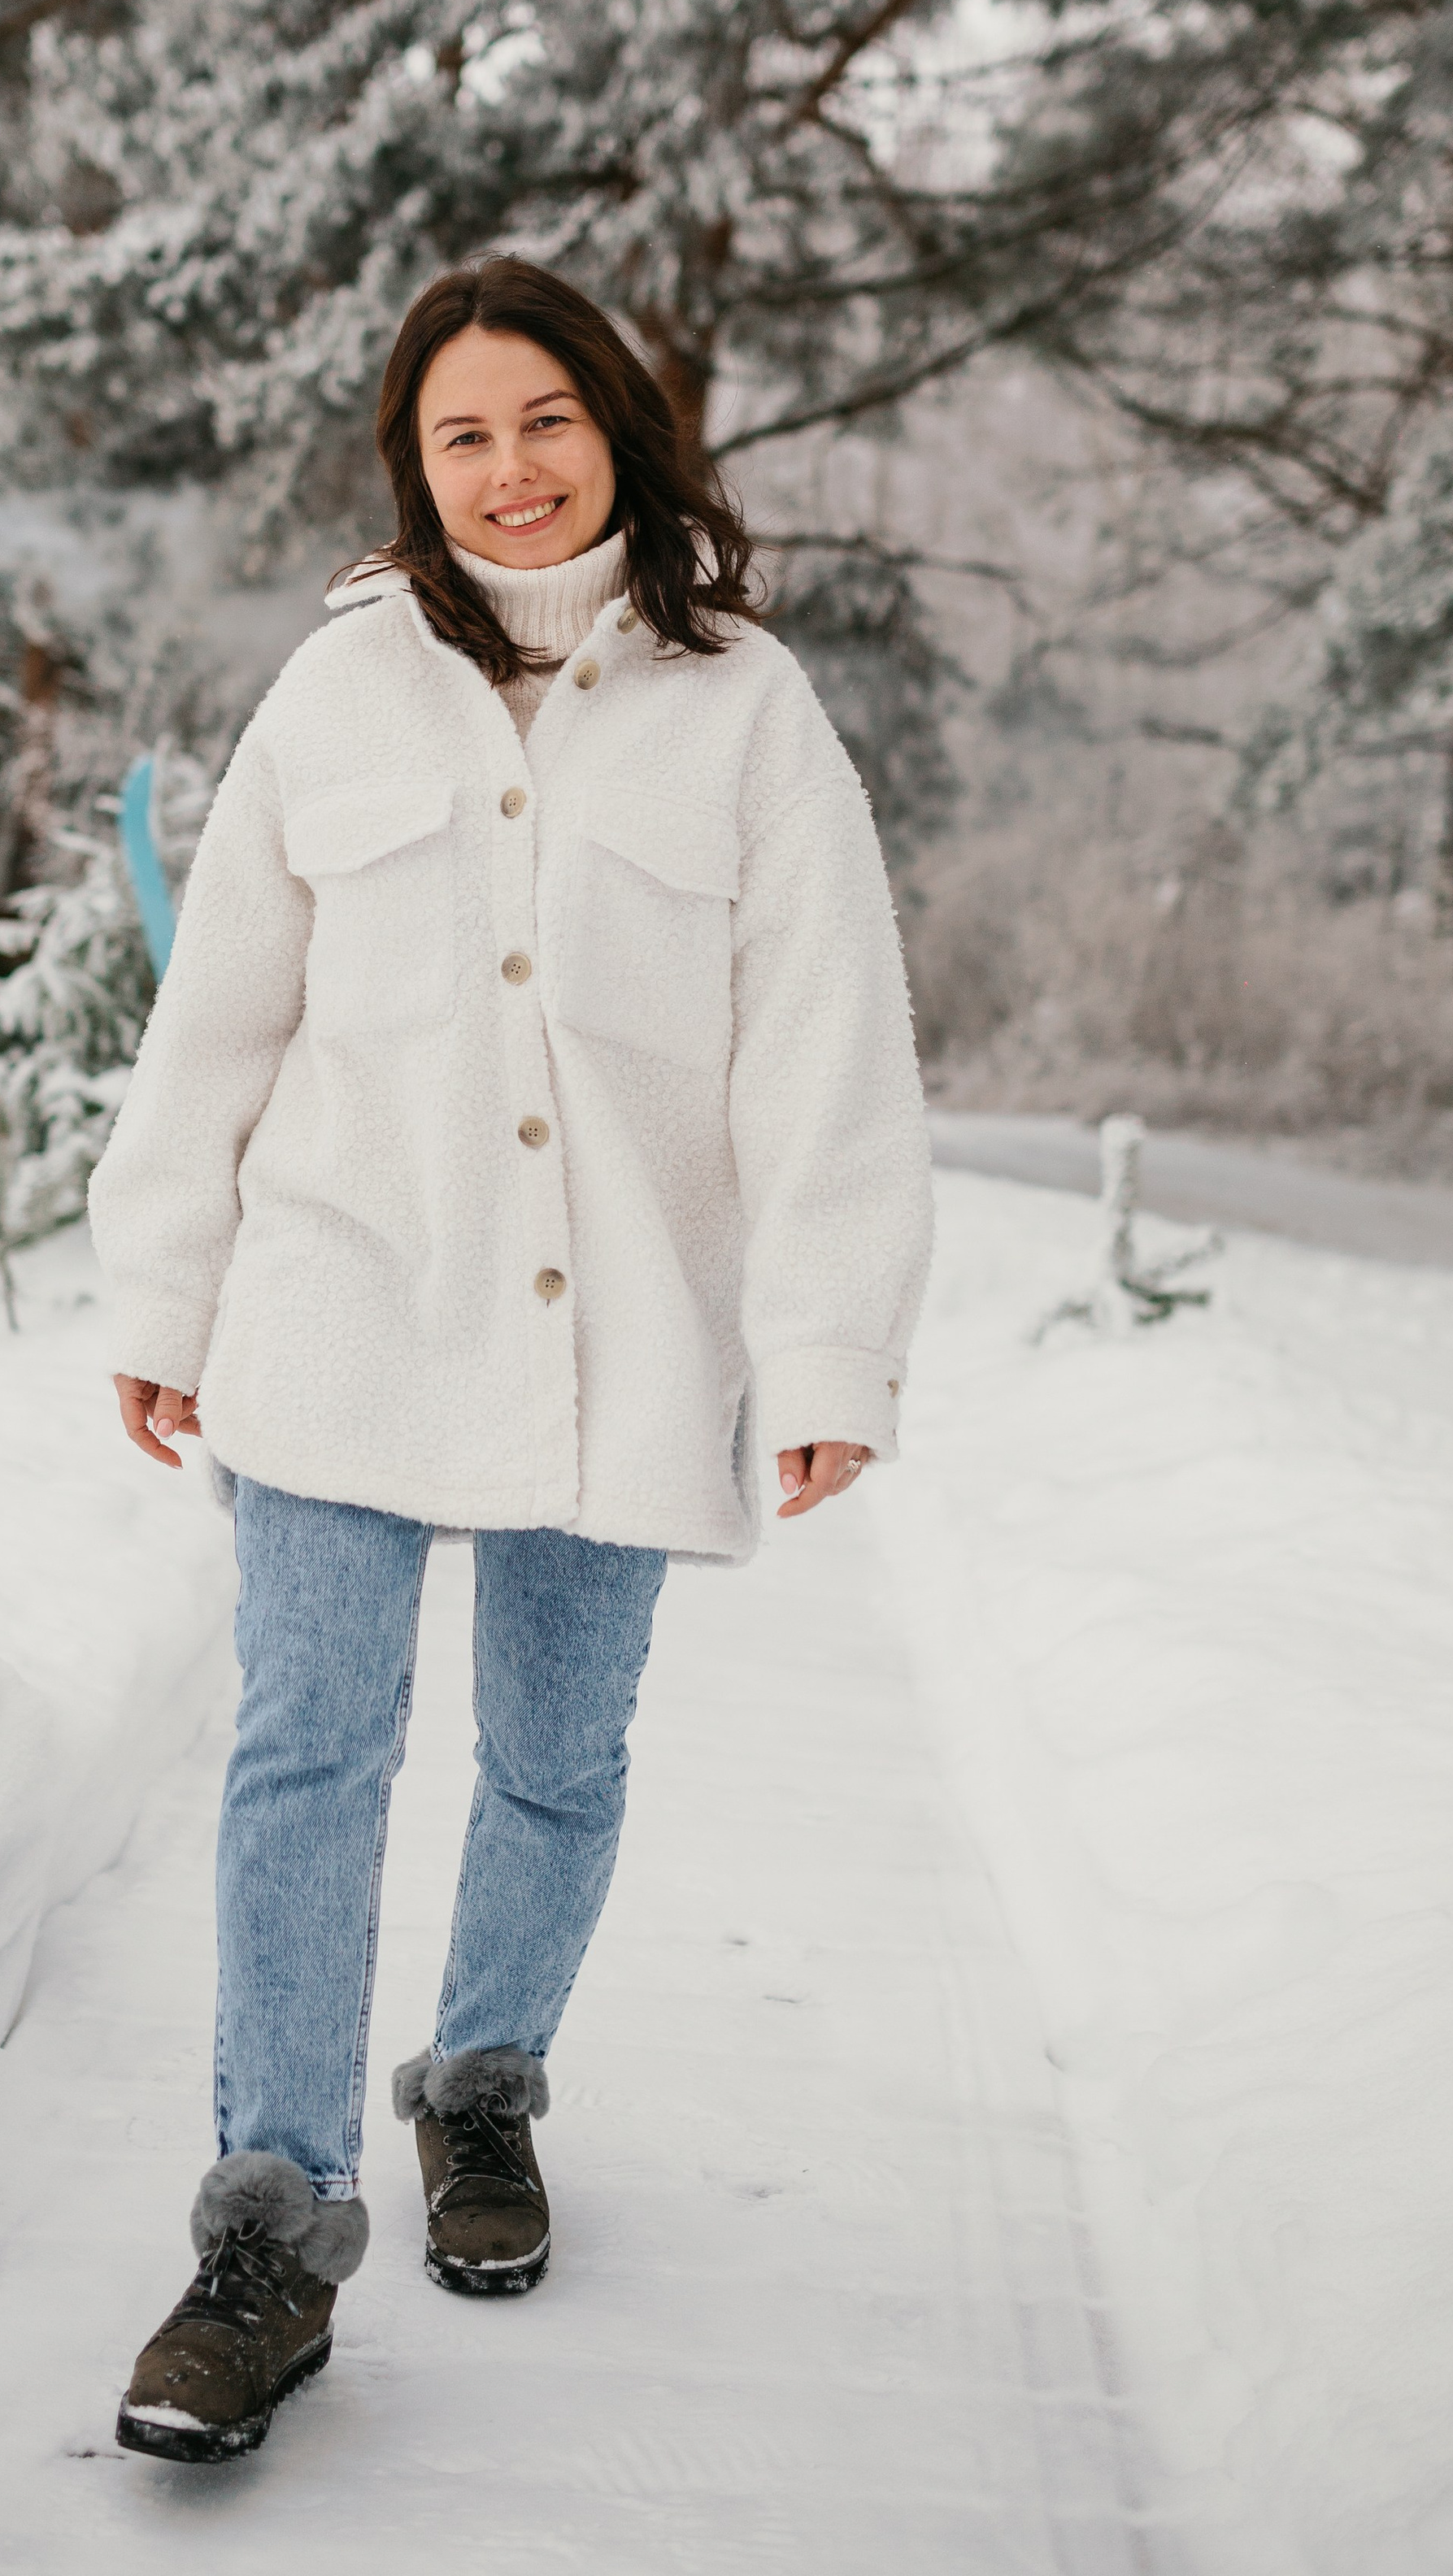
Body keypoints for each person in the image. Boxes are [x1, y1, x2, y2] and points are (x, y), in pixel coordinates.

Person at [88, 255, 932, 2463]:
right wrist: (160, 1292)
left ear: (619, 429)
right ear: (415, 463)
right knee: (308, 1753)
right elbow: (224, 1023)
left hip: (623, 1325)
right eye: (462, 433)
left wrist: (829, 1339)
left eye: (545, 418)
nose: (510, 467)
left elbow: (827, 1046)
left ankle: (481, 2090)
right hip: (341, 1301)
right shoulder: (341, 693)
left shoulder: (745, 707)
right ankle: (267, 2236)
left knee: (556, 1756)